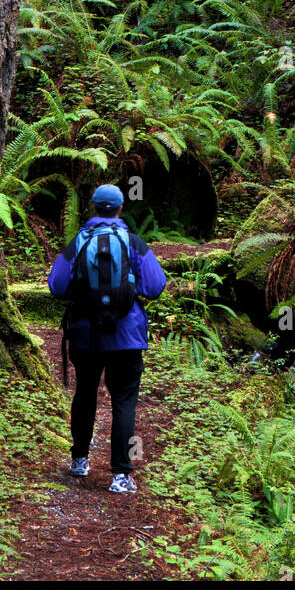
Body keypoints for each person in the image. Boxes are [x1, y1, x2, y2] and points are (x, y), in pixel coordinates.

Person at [47, 184, 167, 494]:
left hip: (86, 336)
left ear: (94, 207)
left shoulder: (79, 241)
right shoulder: (132, 242)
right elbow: (155, 286)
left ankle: (79, 460)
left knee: (85, 394)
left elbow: (57, 286)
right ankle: (121, 475)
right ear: (120, 209)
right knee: (124, 402)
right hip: (127, 337)